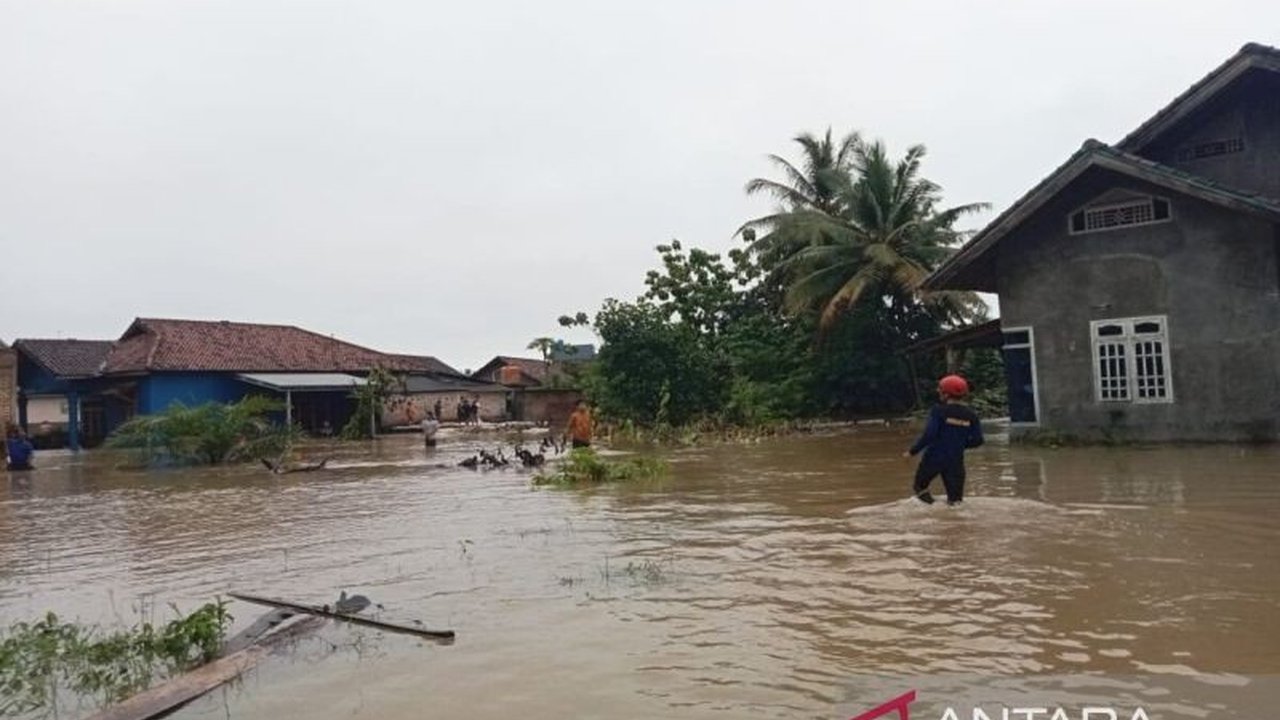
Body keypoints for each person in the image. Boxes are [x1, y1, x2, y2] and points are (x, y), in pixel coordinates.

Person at [903, 375, 983, 505]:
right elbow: (978, 440)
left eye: (940, 390)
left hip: (934, 458)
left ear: (945, 394)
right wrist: (959, 444)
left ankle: (933, 510)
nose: (938, 392)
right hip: (956, 460)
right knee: (955, 501)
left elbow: (929, 435)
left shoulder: (939, 411)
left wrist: (912, 451)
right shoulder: (971, 415)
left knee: (920, 487)